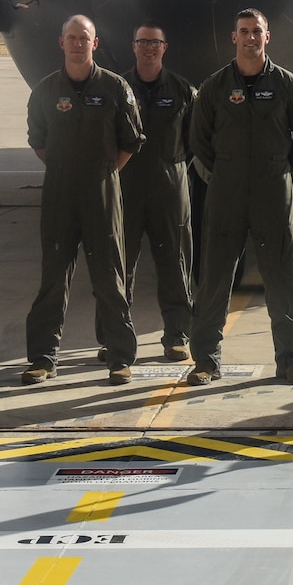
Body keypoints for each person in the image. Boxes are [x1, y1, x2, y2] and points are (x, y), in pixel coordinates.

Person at [187, 9, 293, 386]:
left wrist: (278, 169)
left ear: (267, 36)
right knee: (214, 277)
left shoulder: (288, 85)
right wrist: (224, 171)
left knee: (283, 277)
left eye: (256, 31)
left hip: (272, 191)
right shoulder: (214, 87)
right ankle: (206, 362)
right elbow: (199, 139)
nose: (250, 37)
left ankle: (290, 359)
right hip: (225, 192)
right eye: (243, 31)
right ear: (234, 37)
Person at [24, 15, 144, 385]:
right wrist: (66, 168)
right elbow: (38, 140)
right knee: (53, 277)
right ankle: (43, 358)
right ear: (61, 43)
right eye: (71, 37)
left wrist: (104, 171)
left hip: (102, 190)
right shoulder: (45, 90)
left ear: (95, 43)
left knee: (109, 277)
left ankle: (120, 356)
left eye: (85, 38)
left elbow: (131, 140)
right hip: (60, 190)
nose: (78, 43)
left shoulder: (114, 87)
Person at [121, 23, 197, 362]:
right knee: (119, 265)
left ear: (165, 47)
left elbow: (196, 140)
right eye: (142, 42)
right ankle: (114, 336)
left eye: (155, 42)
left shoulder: (183, 91)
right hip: (126, 186)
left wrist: (174, 168)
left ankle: (177, 335)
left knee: (174, 263)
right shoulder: (116, 88)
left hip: (169, 186)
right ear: (133, 46)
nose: (148, 48)